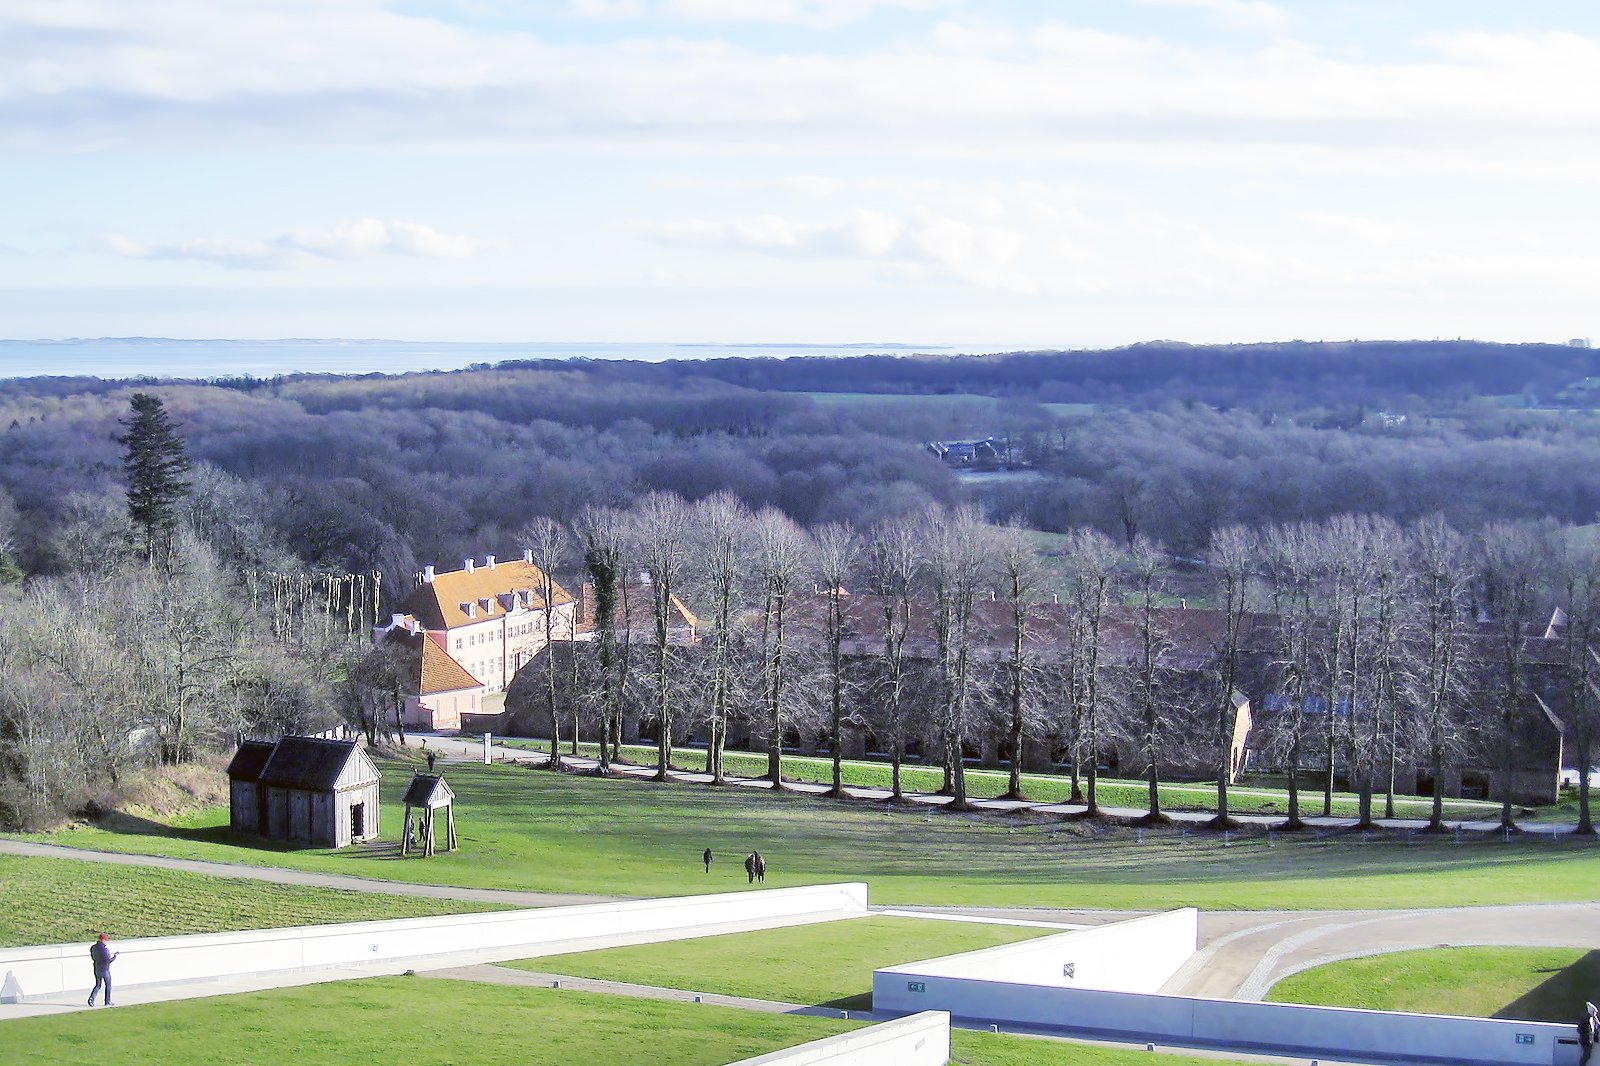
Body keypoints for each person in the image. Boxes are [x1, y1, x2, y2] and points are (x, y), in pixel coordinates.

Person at [87, 933, 117, 1007]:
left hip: (97, 968)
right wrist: (114, 957)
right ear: (102, 940)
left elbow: (93, 957)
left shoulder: (93, 948)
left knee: (98, 985)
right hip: (105, 969)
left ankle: (91, 999)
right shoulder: (104, 949)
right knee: (108, 985)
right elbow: (108, 960)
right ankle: (107, 1001)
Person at [1582, 1001, 1599, 1066]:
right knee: (1586, 1055)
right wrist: (1586, 1035)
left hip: (1590, 1040)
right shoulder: (1585, 1019)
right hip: (1586, 1040)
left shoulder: (1594, 1018)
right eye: (1594, 1012)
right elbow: (1580, 1029)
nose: (1595, 1013)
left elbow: (1598, 1025)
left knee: (1587, 1055)